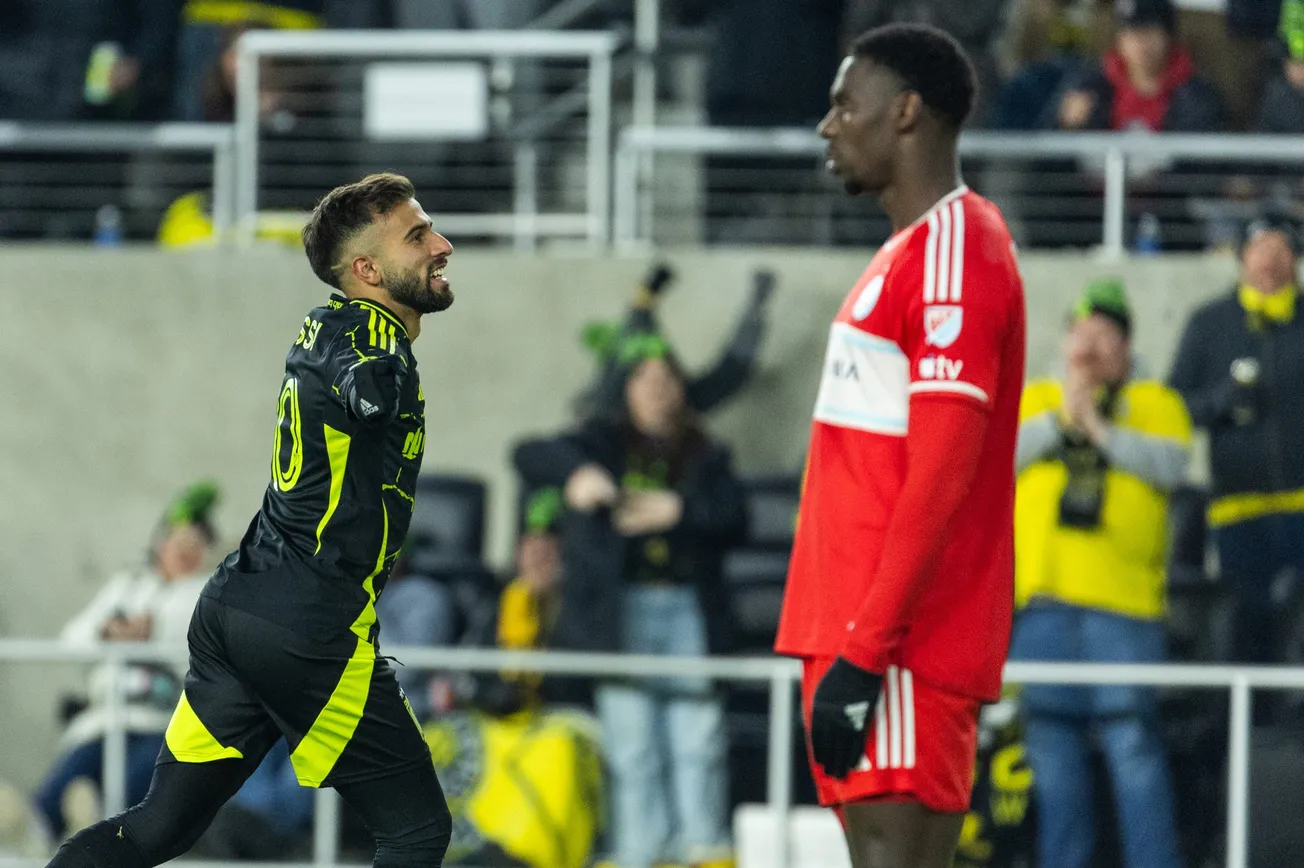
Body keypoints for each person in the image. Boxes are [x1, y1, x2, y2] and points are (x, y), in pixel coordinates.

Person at [44, 172, 456, 868]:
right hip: (307, 624)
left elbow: (330, 356)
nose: (441, 244)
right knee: (417, 831)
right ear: (366, 270)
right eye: (417, 236)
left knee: (157, 829)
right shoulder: (366, 337)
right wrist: (374, 379)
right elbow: (358, 371)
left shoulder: (333, 324)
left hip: (238, 608)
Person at [774, 23, 1027, 868]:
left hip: (897, 649)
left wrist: (864, 652)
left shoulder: (956, 250)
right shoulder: (910, 253)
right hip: (860, 634)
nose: (828, 125)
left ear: (907, 112)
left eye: (847, 104)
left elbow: (940, 481)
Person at [514, 335, 747, 868]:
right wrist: (577, 475)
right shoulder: (600, 441)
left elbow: (738, 519)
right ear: (626, 389)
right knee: (633, 744)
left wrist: (678, 512)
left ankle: (703, 850)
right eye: (645, 378)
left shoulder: (708, 454)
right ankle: (640, 853)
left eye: (668, 378)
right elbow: (527, 453)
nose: (658, 389)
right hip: (621, 613)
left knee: (698, 741)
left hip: (689, 607)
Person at [1009, 279, 1189, 868]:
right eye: (1081, 335)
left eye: (1104, 335)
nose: (1090, 347)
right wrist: (1068, 413)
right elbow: (998, 457)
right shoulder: (1034, 398)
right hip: (1041, 606)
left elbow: (1169, 465)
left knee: (1132, 749)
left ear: (1126, 347)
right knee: (1051, 760)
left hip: (1124, 611)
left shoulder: (1157, 402)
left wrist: (1099, 429)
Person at [33, 483, 219, 843]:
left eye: (195, 543)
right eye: (178, 539)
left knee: (137, 785)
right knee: (69, 779)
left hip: (162, 721)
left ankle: (93, 830)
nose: (185, 550)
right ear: (160, 543)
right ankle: (34, 827)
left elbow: (193, 638)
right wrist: (108, 633)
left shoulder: (207, 590)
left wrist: (149, 632)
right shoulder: (126, 586)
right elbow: (73, 639)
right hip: (106, 716)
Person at [1169, 220, 1304, 665]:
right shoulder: (1209, 323)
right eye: (1261, 247)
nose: (1271, 258)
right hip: (1237, 509)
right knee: (1245, 631)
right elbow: (1172, 408)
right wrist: (1219, 402)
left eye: (1282, 247)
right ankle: (1251, 730)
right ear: (1241, 256)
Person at [1044, 0, 1225, 133]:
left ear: (1168, 37)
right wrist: (1065, 125)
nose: (1139, 43)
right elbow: (1042, 157)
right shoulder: (1089, 86)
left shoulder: (1198, 98)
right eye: (1130, 33)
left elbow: (1206, 171)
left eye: (1148, 32)